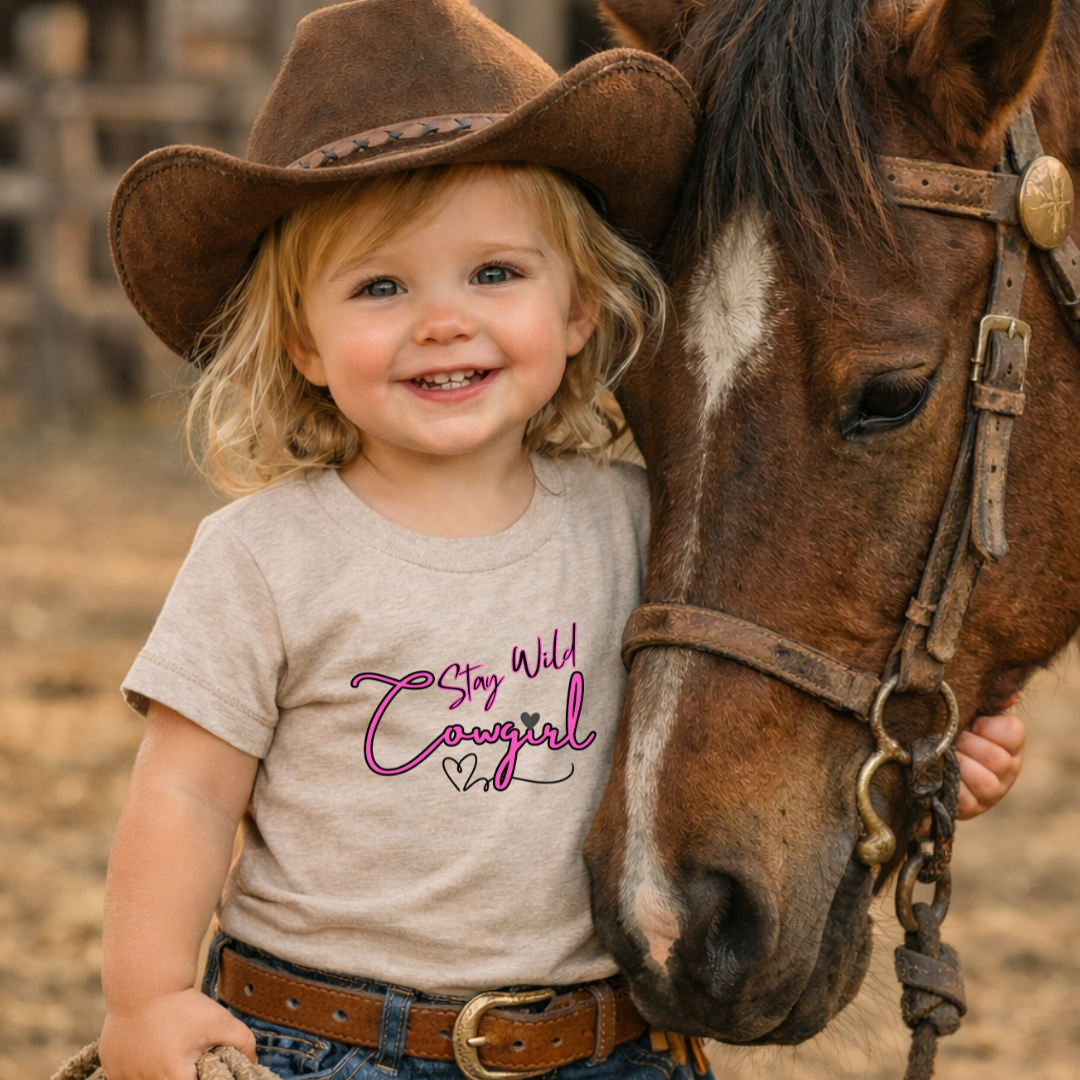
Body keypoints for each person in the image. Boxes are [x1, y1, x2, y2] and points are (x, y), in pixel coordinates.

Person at [96, 2, 1024, 1079]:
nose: (443, 319)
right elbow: (187, 793)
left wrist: (921, 757)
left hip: (605, 1047)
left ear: (583, 305)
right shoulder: (263, 557)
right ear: (303, 339)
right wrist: (147, 997)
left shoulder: (643, 522)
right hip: (334, 1042)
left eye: (494, 274)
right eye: (381, 286)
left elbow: (736, 685)